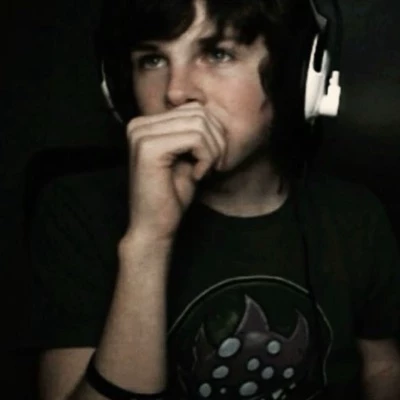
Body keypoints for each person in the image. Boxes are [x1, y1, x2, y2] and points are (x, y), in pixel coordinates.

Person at [27, 0, 400, 399]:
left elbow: (382, 366)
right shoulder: (76, 209)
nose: (176, 91)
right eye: (152, 60)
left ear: (298, 80)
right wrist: (149, 241)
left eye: (218, 54)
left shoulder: (355, 215)